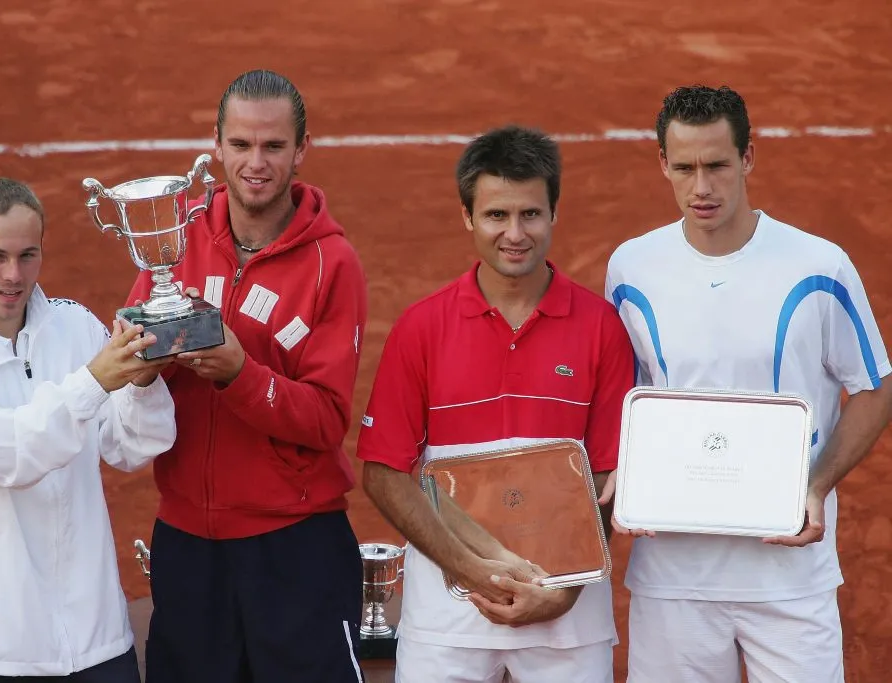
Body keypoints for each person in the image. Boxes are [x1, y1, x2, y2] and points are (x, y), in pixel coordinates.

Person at [606, 84, 892, 682]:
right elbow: (628, 399)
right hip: (673, 580)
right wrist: (625, 477)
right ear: (663, 163)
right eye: (684, 168)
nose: (701, 187)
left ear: (748, 158)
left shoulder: (819, 265)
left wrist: (815, 486)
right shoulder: (631, 269)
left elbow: (875, 387)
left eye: (717, 165)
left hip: (790, 577)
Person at [356, 125, 635, 683]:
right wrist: (473, 570)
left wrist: (562, 595)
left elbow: (608, 474)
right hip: (446, 621)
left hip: (567, 625)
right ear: (468, 217)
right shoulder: (421, 329)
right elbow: (383, 473)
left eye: (530, 214)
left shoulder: (602, 329)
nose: (515, 233)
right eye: (496, 215)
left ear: (554, 213)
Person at [127, 69, 368, 683]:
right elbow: (131, 364)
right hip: (187, 543)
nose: (255, 163)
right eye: (240, 145)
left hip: (294, 546)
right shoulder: (173, 239)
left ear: (301, 150)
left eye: (273, 146)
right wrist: (140, 366)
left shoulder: (331, 263)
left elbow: (327, 419)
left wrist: (239, 374)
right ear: (216, 145)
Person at [0, 178, 177, 682]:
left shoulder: (76, 326)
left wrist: (141, 383)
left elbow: (133, 446)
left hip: (96, 642)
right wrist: (93, 383)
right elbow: (5, 455)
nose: (13, 275)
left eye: (28, 255)